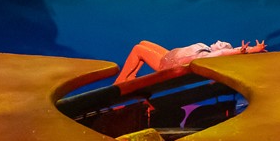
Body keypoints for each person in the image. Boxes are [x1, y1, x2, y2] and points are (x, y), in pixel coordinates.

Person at [114, 39, 266, 84]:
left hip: (166, 64)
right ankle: (130, 77)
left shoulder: (208, 57)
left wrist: (248, 50)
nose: (219, 41)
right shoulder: (207, 51)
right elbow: (224, 51)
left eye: (222, 43)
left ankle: (119, 83)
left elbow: (224, 53)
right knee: (143, 43)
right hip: (169, 56)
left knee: (138, 49)